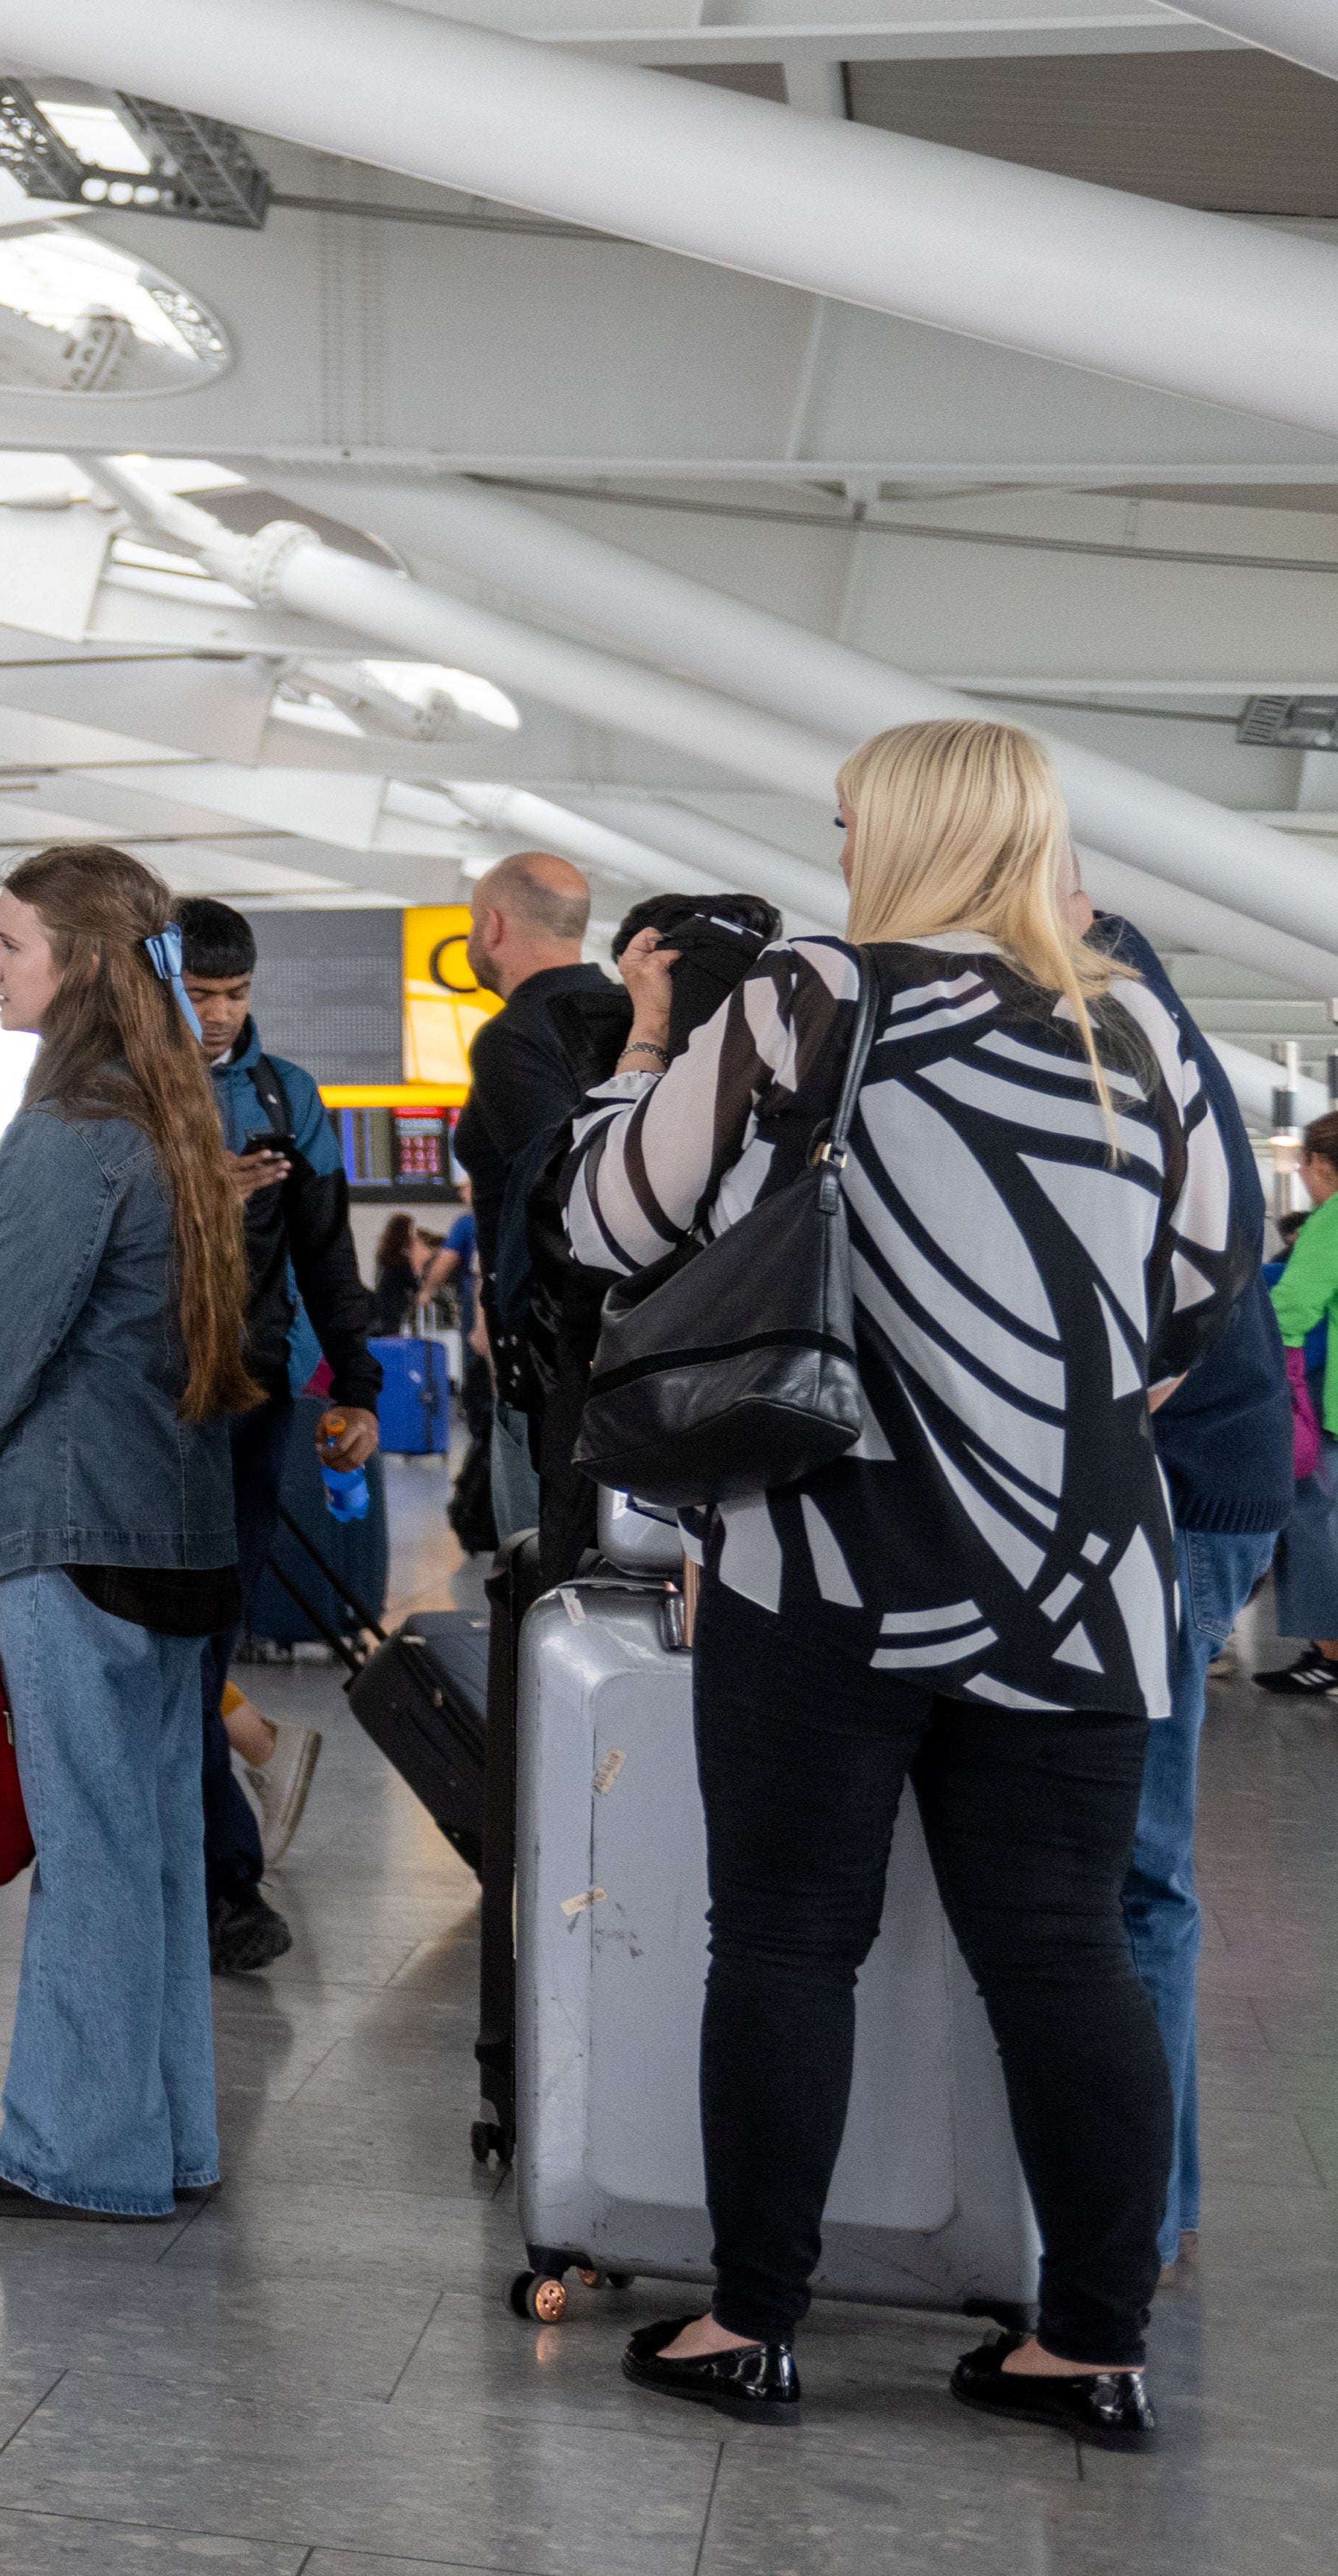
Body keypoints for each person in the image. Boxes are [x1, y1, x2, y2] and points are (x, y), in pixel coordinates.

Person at [571, 720, 1246, 2446]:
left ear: (901, 833)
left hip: (830, 1546)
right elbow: (1195, 1281)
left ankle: (752, 2324)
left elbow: (605, 1221)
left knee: (788, 1940)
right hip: (1075, 1565)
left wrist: (645, 1042)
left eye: (849, 814)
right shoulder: (1139, 1021)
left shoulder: (814, 990)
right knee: (1063, 1952)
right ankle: (1087, 2344)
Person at [0, 845, 256, 2222]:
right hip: (174, 1528)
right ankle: (167, 2134)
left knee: (95, 1853)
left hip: (71, 1524)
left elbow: (2, 1348)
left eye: (6, 941)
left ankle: (73, 2149)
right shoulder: (170, 1122)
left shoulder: (67, 1135)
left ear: (76, 962)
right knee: (156, 1849)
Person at [1088, 911, 1283, 2265]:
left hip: (1170, 1491)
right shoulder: (1105, 997)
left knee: (1129, 1868)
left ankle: (1135, 2217)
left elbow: (1179, 1269)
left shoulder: (1103, 1002)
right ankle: (1147, 2205)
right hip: (1184, 1485)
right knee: (1120, 1866)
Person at [172, 899, 387, 1973]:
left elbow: (323, 1254)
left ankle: (216, 1881)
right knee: (156, 1651)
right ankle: (208, 1878)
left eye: (235, 995)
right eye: (200, 994)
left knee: (209, 1637)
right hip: (135, 1412)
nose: (218, 1015)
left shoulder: (282, 1095)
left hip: (245, 1407)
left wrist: (357, 1389)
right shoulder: (114, 1092)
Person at [448, 850, 609, 1551]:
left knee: (538, 1572)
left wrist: (506, 1319)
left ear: (493, 927)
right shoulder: (631, 1016)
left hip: (547, 1362)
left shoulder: (514, 1037)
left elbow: (548, 1189)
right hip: (625, 1345)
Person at [1264, 1110, 1338, 1701]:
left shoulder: (1333, 1219)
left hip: (1332, 1405)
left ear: (1318, 1164)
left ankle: (1332, 1656)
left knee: (1314, 1521)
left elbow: (1292, 1308)